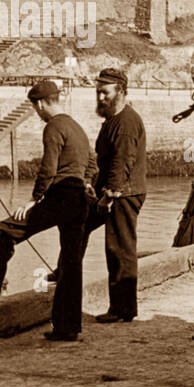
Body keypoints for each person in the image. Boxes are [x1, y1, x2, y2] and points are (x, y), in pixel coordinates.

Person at [0, 80, 96, 342]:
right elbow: (92, 163)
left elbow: (48, 168)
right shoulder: (77, 128)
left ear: (40, 103)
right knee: (71, 264)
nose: (37, 113)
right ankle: (68, 327)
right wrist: (86, 183)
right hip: (79, 200)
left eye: (35, 107)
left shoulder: (53, 127)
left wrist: (34, 199)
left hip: (60, 197)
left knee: (3, 231)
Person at [83, 67, 147, 323]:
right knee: (80, 225)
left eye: (105, 93)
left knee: (120, 249)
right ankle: (63, 272)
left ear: (121, 92)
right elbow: (103, 158)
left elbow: (123, 162)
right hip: (112, 191)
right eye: (98, 93)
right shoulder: (114, 118)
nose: (100, 98)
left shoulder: (126, 123)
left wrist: (110, 194)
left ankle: (123, 309)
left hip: (123, 194)